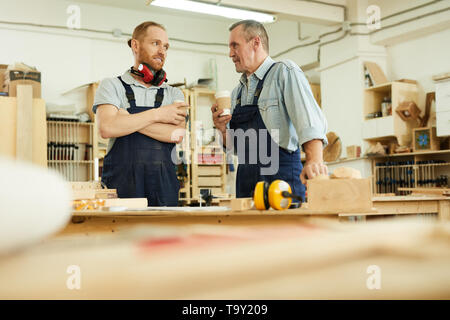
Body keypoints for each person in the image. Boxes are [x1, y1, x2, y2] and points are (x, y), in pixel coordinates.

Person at [211, 20, 328, 201]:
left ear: (256, 42)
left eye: (235, 46)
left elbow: (309, 121)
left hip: (280, 178)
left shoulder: (284, 72)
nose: (230, 54)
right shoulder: (237, 93)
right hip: (246, 183)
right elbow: (236, 147)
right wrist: (222, 129)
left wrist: (314, 161)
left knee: (284, 230)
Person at [93, 21, 188, 206]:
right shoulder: (112, 86)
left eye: (166, 46)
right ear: (135, 45)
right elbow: (106, 128)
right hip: (122, 187)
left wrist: (125, 119)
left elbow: (177, 134)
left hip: (164, 189)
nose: (162, 51)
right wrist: (158, 115)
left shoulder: (174, 93)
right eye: (156, 43)